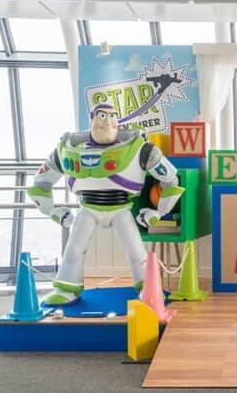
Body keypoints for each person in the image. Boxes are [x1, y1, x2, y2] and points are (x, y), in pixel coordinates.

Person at [27, 103, 184, 305]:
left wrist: (159, 212)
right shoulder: (66, 149)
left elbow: (171, 180)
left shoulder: (142, 149)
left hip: (121, 208)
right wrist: (52, 210)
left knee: (135, 249)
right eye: (102, 116)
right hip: (88, 207)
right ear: (92, 118)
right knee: (74, 247)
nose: (107, 122)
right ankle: (67, 287)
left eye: (112, 116)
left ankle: (148, 288)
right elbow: (40, 183)